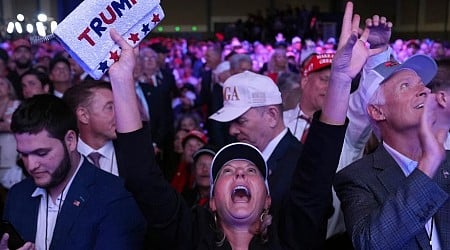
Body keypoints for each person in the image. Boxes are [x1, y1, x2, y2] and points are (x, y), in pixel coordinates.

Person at [108, 1, 364, 248]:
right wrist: (121, 80)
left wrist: (340, 81)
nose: (240, 172)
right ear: (211, 202)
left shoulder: (290, 238)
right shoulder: (190, 236)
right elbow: (142, 177)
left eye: (252, 171)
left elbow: (316, 173)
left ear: (268, 201)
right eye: (227, 172)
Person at [334, 51, 450, 249]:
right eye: (405, 86)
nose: (423, 90)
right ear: (377, 111)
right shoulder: (357, 179)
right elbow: (371, 244)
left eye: (422, 83)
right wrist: (428, 163)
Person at [1, 94, 146, 249]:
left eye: (41, 153)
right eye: (24, 154)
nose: (31, 165)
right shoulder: (17, 195)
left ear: (70, 140)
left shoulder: (115, 198)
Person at [63, 81, 119, 175]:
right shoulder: (65, 158)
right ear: (83, 115)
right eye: (110, 107)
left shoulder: (133, 153)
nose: (119, 113)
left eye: (117, 106)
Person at [283, 52, 334, 142]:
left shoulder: (343, 131)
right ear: (305, 82)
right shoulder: (280, 122)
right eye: (324, 79)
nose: (330, 87)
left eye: (335, 83)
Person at [0, 77, 23, 189]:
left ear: (9, 89)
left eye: (1, 84)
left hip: (11, 153)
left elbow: (18, 126)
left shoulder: (17, 104)